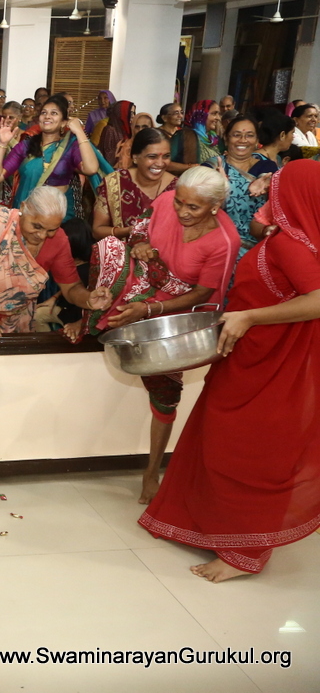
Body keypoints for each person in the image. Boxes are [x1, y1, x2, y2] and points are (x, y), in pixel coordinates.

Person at [140, 160, 320, 582]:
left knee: (244, 450)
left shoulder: (291, 245)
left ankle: (243, 553)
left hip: (268, 365)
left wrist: (250, 317)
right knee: (215, 438)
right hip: (250, 355)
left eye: (277, 191)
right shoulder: (291, 238)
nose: (268, 197)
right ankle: (208, 526)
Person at [81, 168, 240, 503]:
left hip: (177, 312)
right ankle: (88, 317)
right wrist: (141, 245)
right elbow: (139, 229)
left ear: (215, 206)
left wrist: (149, 309)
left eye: (193, 207)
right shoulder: (167, 201)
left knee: (165, 396)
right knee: (109, 249)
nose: (182, 211)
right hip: (142, 287)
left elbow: (202, 294)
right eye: (180, 202)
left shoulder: (224, 241)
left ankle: (151, 472)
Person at [0, 186, 104, 341]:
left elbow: (71, 288)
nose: (42, 236)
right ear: (23, 208)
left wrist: (89, 299)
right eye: (37, 226)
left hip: (15, 321)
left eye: (51, 230)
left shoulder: (59, 241)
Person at [0, 95, 107, 221]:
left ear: (63, 122)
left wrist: (79, 132)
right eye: (44, 113)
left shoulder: (70, 147)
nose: (47, 116)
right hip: (26, 215)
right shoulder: (26, 145)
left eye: (54, 113)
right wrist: (3, 144)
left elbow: (91, 169)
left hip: (57, 217)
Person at [202, 114, 277, 259]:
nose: (243, 140)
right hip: (218, 246)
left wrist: (270, 186)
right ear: (226, 138)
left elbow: (278, 203)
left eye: (249, 135)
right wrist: (219, 188)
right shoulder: (212, 167)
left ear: (257, 140)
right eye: (236, 135)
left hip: (258, 248)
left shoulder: (268, 167)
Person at [93, 127, 177, 241]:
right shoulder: (114, 183)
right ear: (135, 157)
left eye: (166, 156)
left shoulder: (178, 188)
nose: (160, 163)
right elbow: (97, 230)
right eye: (152, 157)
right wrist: (127, 231)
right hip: (123, 251)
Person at [96, 99, 135, 168]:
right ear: (121, 113)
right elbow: (108, 157)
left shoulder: (129, 130)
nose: (133, 116)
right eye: (130, 113)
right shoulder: (110, 130)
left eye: (134, 113)